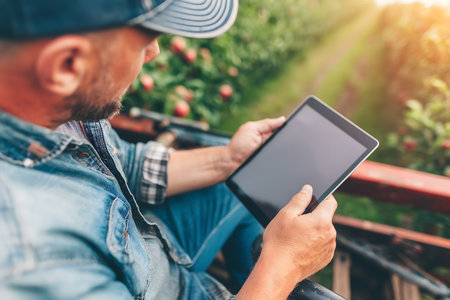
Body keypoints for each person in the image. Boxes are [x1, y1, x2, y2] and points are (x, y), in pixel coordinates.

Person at [0, 0, 337, 299]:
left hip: (149, 252)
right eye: (147, 39)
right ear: (67, 65)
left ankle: (246, 276)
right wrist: (283, 267)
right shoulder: (36, 259)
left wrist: (228, 159)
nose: (155, 53)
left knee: (243, 169)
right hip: (162, 280)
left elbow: (124, 162)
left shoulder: (55, 110)